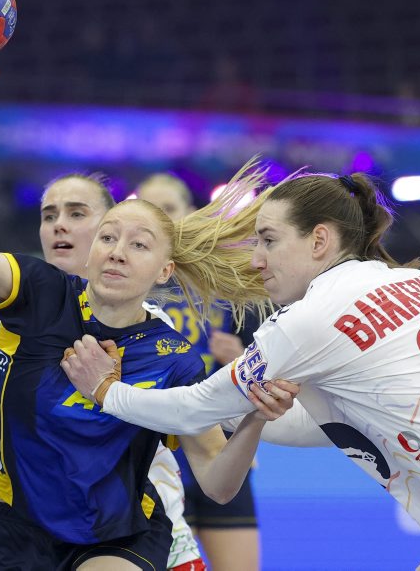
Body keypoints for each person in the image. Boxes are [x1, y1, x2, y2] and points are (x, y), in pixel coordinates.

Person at [61, 172, 420, 570]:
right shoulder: (411, 282)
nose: (256, 260)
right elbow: (333, 426)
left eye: (269, 241)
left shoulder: (312, 317)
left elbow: (195, 407)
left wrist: (106, 390)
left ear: (320, 240)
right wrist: (252, 415)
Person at [0, 37, 297, 571]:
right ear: (90, 253)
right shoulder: (38, 294)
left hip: (120, 537)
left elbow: (217, 483)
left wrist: (252, 420)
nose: (116, 252)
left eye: (138, 245)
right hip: (18, 540)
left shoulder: (172, 355)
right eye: (109, 238)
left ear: (164, 271)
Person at [0, 171, 205, 569]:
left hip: (136, 538)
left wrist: (243, 412)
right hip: (29, 536)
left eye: (77, 213)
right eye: (49, 215)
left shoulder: (154, 333)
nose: (60, 224)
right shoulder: (3, 326)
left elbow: (206, 448)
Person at [137, 173, 261, 571]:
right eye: (150, 209)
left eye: (169, 209)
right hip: (155, 448)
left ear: (191, 213)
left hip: (217, 440)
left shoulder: (224, 282)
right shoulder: (127, 283)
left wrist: (240, 357)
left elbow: (266, 363)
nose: (161, 218)